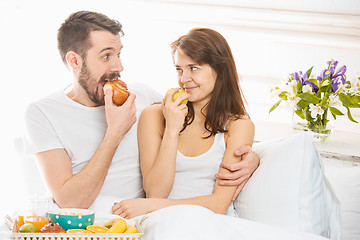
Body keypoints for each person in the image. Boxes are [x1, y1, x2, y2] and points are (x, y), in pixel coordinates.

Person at [23, 11, 259, 212]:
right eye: (106, 56)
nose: (118, 66)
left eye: (119, 54)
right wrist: (115, 132)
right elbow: (71, 202)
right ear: (75, 61)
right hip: (93, 220)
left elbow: (202, 121)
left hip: (143, 216)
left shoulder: (142, 96)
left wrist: (254, 158)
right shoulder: (42, 113)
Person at [112, 28, 254, 218]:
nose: (183, 79)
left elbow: (219, 204)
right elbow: (156, 191)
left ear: (219, 70)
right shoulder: (154, 115)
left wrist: (151, 206)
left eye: (193, 68)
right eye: (179, 69)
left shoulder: (239, 125)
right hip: (161, 222)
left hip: (211, 223)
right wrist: (172, 129)